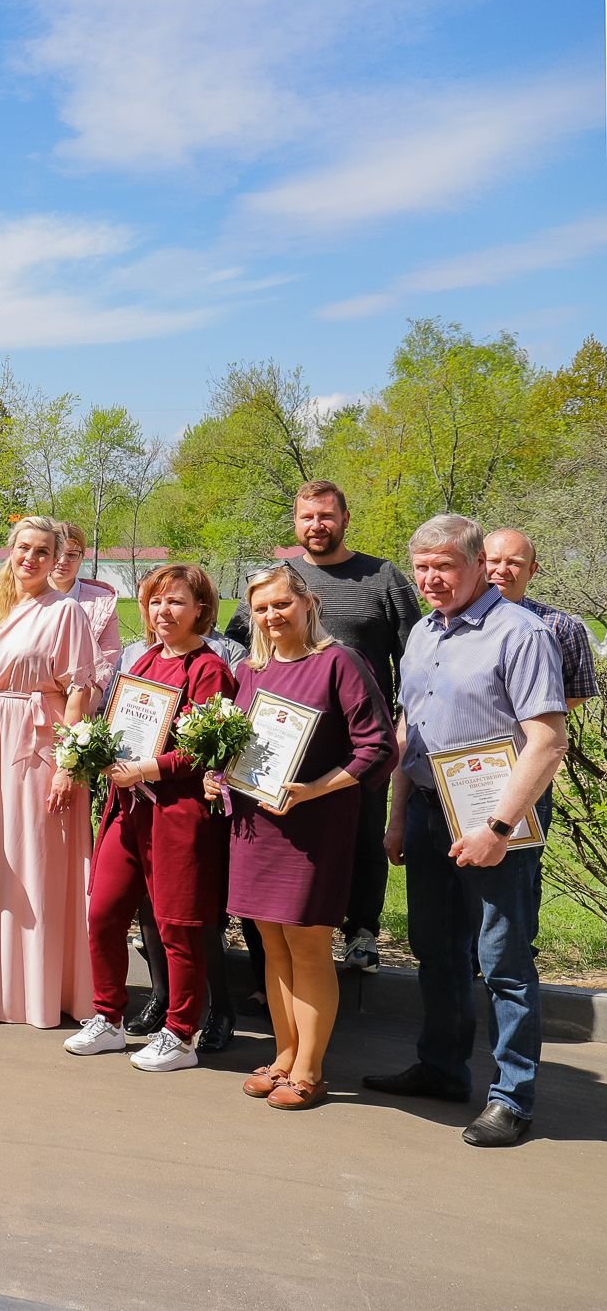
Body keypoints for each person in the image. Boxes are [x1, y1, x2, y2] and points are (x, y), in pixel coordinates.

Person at [365, 514, 568, 1147]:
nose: (430, 579)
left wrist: (498, 827)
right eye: (421, 567)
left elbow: (547, 740)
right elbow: (410, 733)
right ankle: (443, 1068)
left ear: (478, 565)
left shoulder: (521, 633)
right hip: (428, 811)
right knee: (437, 950)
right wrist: (399, 816)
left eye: (444, 566)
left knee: (503, 962)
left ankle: (512, 1097)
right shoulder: (424, 633)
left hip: (496, 820)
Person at [194, 565, 396, 1108]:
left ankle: (310, 1067)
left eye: (281, 604)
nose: (271, 616)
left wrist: (312, 790)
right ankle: (284, 1055)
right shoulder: (255, 671)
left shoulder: (339, 662)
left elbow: (376, 748)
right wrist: (219, 777)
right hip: (255, 827)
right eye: (261, 608)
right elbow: (238, 746)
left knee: (307, 947)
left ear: (307, 603)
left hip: (313, 830)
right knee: (272, 947)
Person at [224, 480, 422, 975]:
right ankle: (273, 965)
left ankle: (362, 933)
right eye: (307, 517)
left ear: (345, 519)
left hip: (357, 739)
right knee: (282, 853)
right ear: (295, 523)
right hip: (279, 747)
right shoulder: (279, 582)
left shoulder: (383, 578)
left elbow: (416, 660)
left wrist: (398, 728)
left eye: (327, 516)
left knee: (360, 838)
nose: (317, 525)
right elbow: (236, 647)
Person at [65, 565, 235, 1071]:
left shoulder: (208, 669)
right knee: (104, 914)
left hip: (177, 813)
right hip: (126, 807)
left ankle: (182, 1034)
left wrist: (149, 767)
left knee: (177, 926)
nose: (164, 612)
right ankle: (108, 1019)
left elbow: (207, 750)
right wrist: (96, 752)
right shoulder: (141, 663)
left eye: (176, 602)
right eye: (156, 602)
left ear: (201, 609)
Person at [0, 516, 100, 1028]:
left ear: (56, 557)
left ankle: (43, 991)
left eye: (43, 551)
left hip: (43, 747)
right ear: (9, 551)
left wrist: (69, 764)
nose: (32, 558)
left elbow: (80, 690)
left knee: (39, 860)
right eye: (24, 548)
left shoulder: (66, 613)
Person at [485, 527, 598, 710]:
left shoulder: (562, 626)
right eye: (494, 561)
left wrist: (530, 723)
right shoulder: (451, 623)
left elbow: (580, 691)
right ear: (478, 563)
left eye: (515, 563)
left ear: (532, 570)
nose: (502, 570)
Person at [49, 522, 122, 675]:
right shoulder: (26, 597)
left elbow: (109, 660)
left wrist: (85, 697)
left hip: (84, 692)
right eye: (57, 553)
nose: (62, 561)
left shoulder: (102, 602)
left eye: (71, 555)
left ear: (82, 557)